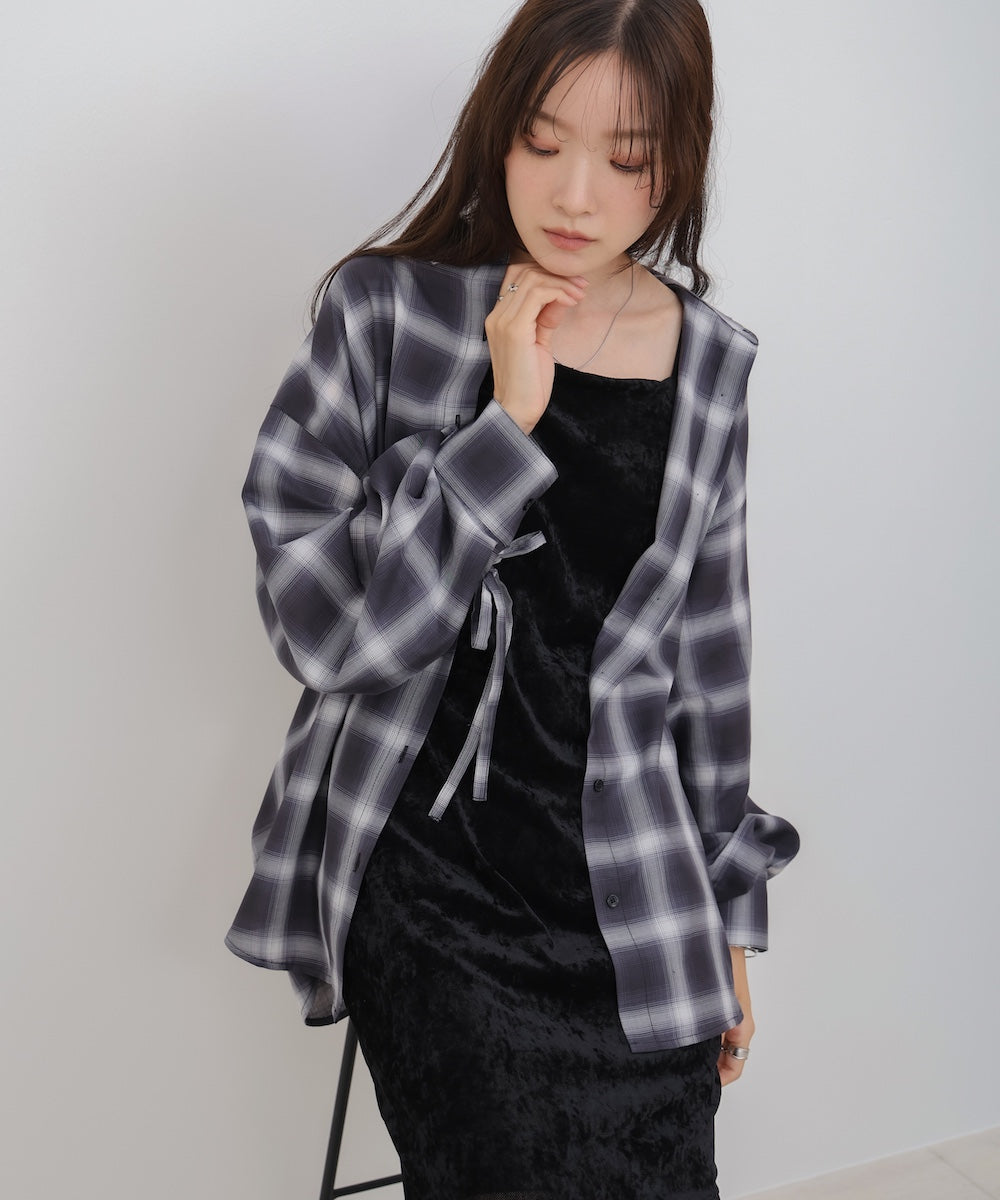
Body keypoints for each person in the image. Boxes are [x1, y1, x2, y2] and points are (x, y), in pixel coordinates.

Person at [225, 1, 801, 1196]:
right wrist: (504, 426)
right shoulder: (387, 313)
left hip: (626, 889)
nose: (575, 195)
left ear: (679, 162)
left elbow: (706, 669)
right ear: (499, 128)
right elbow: (328, 635)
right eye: (543, 142)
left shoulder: (711, 368)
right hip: (427, 873)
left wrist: (727, 923)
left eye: (627, 159)